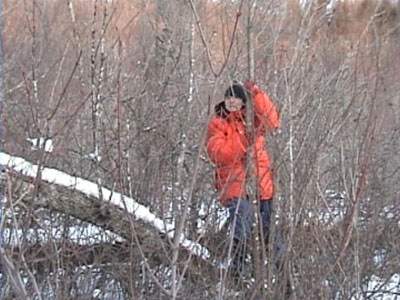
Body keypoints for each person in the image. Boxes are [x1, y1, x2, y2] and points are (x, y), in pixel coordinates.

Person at [206, 80, 285, 280]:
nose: (232, 102)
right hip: (234, 185)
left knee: (269, 231)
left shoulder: (253, 122)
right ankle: (238, 270)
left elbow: (272, 120)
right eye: (229, 98)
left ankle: (283, 276)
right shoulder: (218, 124)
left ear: (244, 102)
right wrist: (243, 142)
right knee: (242, 219)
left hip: (261, 184)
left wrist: (257, 94)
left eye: (238, 98)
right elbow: (218, 153)